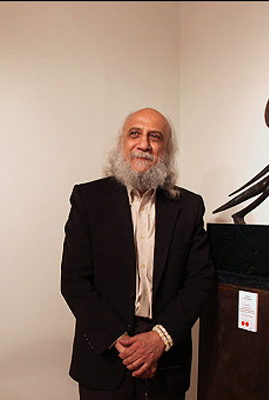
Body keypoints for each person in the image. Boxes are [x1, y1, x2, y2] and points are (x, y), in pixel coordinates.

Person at [61, 107, 215, 400]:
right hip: (105, 358)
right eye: (135, 134)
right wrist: (119, 340)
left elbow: (200, 281)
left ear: (166, 150)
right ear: (122, 143)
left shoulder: (189, 206)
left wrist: (160, 338)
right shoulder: (89, 199)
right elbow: (74, 280)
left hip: (166, 360)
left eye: (155, 137)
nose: (144, 144)